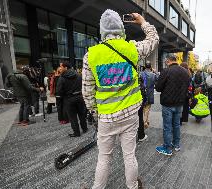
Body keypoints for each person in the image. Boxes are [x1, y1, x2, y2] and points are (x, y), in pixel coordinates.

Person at [82, 10, 159, 189]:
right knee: (129, 155)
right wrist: (142, 22)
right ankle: (132, 187)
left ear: (102, 30)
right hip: (131, 113)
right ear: (121, 28)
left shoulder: (91, 55)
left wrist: (96, 114)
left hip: (107, 117)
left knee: (104, 157)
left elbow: (87, 92)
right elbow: (153, 38)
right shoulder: (131, 48)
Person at [155, 53, 190, 156]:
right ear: (176, 60)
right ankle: (177, 145)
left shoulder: (166, 71)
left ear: (168, 61)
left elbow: (158, 88)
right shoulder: (185, 72)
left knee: (167, 126)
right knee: (176, 125)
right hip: (180, 103)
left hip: (168, 103)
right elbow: (187, 85)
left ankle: (167, 148)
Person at [56, 62, 88, 137]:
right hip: (80, 97)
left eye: (61, 67)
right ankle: (85, 128)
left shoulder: (62, 77)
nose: (60, 68)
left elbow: (59, 91)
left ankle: (76, 132)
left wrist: (59, 101)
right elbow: (83, 85)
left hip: (69, 99)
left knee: (72, 117)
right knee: (82, 114)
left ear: (66, 68)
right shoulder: (78, 75)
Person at [140, 61, 158, 128]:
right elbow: (158, 79)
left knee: (142, 108)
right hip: (150, 94)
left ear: (145, 66)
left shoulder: (141, 74)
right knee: (147, 108)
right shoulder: (153, 75)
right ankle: (145, 121)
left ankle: (144, 121)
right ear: (150, 67)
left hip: (142, 94)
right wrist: (155, 72)